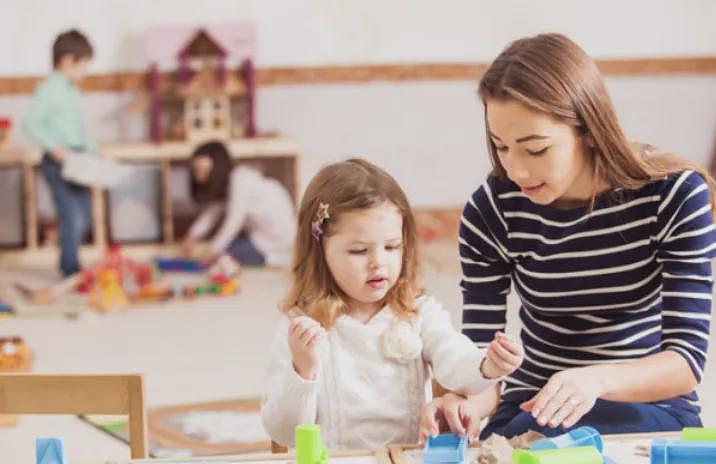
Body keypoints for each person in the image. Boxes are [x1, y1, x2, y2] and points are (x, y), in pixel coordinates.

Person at [420, 33, 716, 441]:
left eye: (536, 149)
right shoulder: (491, 212)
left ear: (589, 130)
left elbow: (686, 362)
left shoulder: (674, 196)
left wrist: (594, 381)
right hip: (533, 410)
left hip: (648, 410)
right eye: (501, 146)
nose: (517, 170)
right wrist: (464, 401)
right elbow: (481, 361)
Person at [261, 158, 524, 449]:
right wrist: (303, 370)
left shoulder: (417, 311)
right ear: (320, 252)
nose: (378, 263)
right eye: (359, 250)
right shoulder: (300, 324)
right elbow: (283, 432)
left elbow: (453, 358)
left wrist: (487, 364)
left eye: (391, 247)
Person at [24, 29, 95, 277]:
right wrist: (54, 147)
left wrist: (91, 152)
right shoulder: (48, 89)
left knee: (84, 213)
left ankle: (72, 260)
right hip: (58, 161)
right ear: (67, 61)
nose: (86, 72)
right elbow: (31, 124)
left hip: (78, 158)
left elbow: (77, 126)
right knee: (70, 214)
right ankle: (70, 267)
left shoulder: (70, 89)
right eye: (84, 65)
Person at [182, 141, 296, 267]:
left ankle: (271, 260)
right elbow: (213, 212)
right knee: (227, 247)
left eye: (203, 171)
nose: (199, 177)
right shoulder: (229, 182)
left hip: (274, 239)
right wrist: (192, 235)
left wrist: (212, 251)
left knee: (223, 257)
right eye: (196, 171)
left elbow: (234, 221)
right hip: (259, 233)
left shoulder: (240, 179)